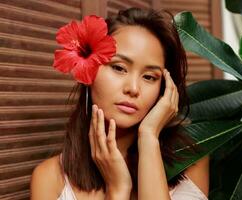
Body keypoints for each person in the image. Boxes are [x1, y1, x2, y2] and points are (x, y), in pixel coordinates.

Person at [30, 7, 209, 200]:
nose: (133, 88)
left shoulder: (191, 162)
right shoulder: (50, 178)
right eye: (118, 68)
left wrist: (149, 137)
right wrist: (118, 189)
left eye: (149, 77)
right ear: (89, 71)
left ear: (165, 88)